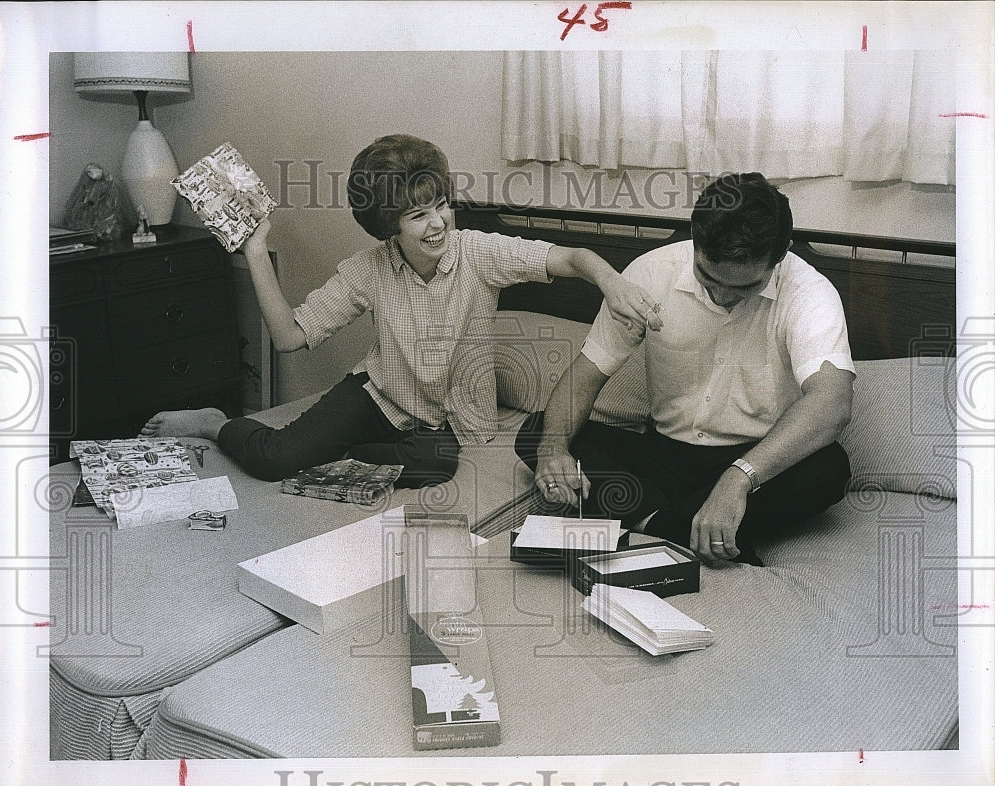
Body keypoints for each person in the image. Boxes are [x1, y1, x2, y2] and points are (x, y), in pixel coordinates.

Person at [141, 134, 660, 488]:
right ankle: (215, 423)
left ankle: (339, 452)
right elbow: (288, 337)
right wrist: (255, 251)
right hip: (380, 396)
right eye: (418, 214)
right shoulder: (369, 269)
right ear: (390, 223)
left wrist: (612, 283)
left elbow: (571, 257)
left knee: (436, 465)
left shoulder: (478, 253)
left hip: (449, 419)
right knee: (276, 459)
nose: (438, 224)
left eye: (441, 206)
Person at [515, 172, 855, 566]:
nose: (721, 295)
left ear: (778, 257)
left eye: (744, 287)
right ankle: (681, 528)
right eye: (708, 277)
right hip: (663, 456)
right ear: (695, 239)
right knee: (540, 432)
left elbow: (833, 403)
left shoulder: (810, 294)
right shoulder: (648, 273)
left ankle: (649, 521)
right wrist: (554, 449)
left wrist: (739, 478)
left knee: (831, 468)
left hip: (756, 460)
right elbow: (585, 377)